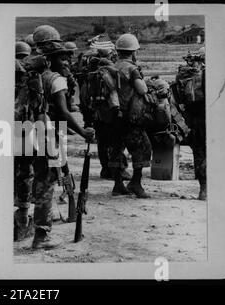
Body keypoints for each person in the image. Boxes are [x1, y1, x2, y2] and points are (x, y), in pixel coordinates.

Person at [28, 25, 95, 249]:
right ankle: (41, 236)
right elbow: (65, 113)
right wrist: (84, 132)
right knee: (47, 182)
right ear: (51, 59)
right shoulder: (56, 79)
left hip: (28, 132)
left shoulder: (30, 76)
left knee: (40, 179)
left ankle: (26, 226)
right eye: (61, 58)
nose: (66, 62)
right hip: (50, 136)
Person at [109, 33, 152, 198]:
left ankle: (118, 184)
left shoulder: (113, 66)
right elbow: (142, 90)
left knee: (117, 148)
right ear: (134, 52)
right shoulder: (131, 68)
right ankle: (136, 183)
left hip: (114, 115)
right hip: (130, 116)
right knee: (141, 147)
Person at [84, 34, 130, 180]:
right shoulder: (110, 69)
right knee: (116, 140)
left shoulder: (92, 69)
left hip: (97, 110)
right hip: (110, 110)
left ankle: (105, 169)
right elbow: (116, 88)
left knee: (102, 141)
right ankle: (118, 170)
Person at [176, 47, 206, 200]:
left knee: (199, 153)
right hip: (209, 119)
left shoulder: (186, 76)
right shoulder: (210, 74)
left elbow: (179, 99)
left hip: (192, 120)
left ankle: (203, 190)